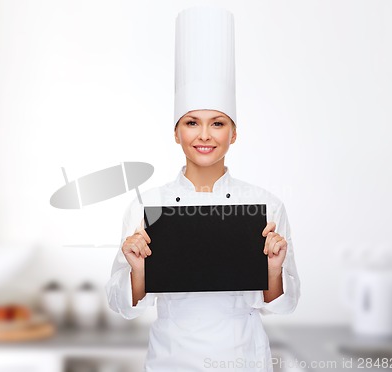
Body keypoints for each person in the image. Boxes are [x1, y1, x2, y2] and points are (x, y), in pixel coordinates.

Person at [105, 6, 300, 372]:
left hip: (242, 359)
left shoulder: (265, 205)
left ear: (234, 133)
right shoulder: (149, 205)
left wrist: (273, 269)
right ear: (176, 132)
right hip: (171, 360)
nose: (205, 135)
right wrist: (137, 269)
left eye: (218, 123)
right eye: (192, 122)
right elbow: (122, 306)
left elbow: (283, 305)